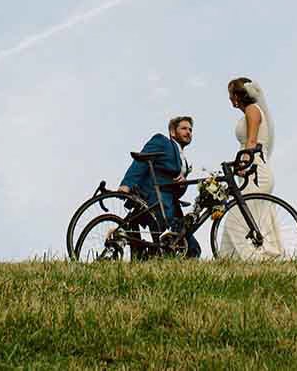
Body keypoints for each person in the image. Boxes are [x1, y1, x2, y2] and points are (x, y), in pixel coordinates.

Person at [217, 77, 283, 260]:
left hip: (255, 171)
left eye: (231, 94)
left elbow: (252, 140)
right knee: (251, 216)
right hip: (250, 169)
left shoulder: (253, 110)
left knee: (237, 217)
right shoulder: (248, 111)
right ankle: (231, 260)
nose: (229, 98)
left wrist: (244, 161)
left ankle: (253, 259)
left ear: (238, 95)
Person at [119, 115, 200, 257]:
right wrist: (127, 184)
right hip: (155, 199)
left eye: (190, 130)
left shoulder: (184, 160)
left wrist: (182, 184)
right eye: (184, 128)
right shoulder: (162, 141)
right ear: (173, 132)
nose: (188, 132)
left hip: (171, 205)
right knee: (172, 246)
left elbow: (174, 186)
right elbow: (141, 160)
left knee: (192, 248)